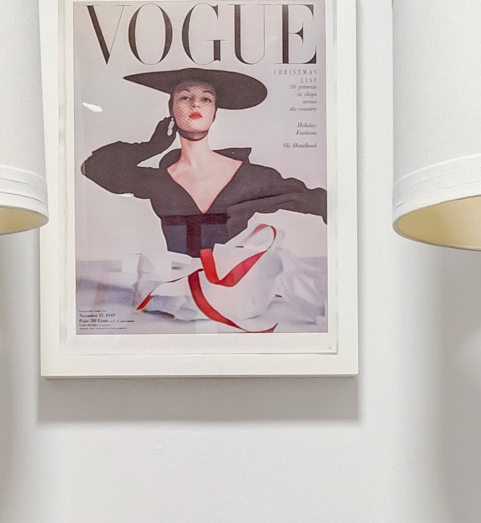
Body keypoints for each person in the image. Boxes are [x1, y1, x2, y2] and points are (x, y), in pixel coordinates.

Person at [81, 65, 326, 329]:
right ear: (171, 109)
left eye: (206, 98)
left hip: (237, 297)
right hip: (176, 298)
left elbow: (320, 202)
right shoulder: (158, 181)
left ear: (215, 112)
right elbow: (93, 168)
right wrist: (151, 147)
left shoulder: (249, 177)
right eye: (184, 97)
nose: (195, 103)